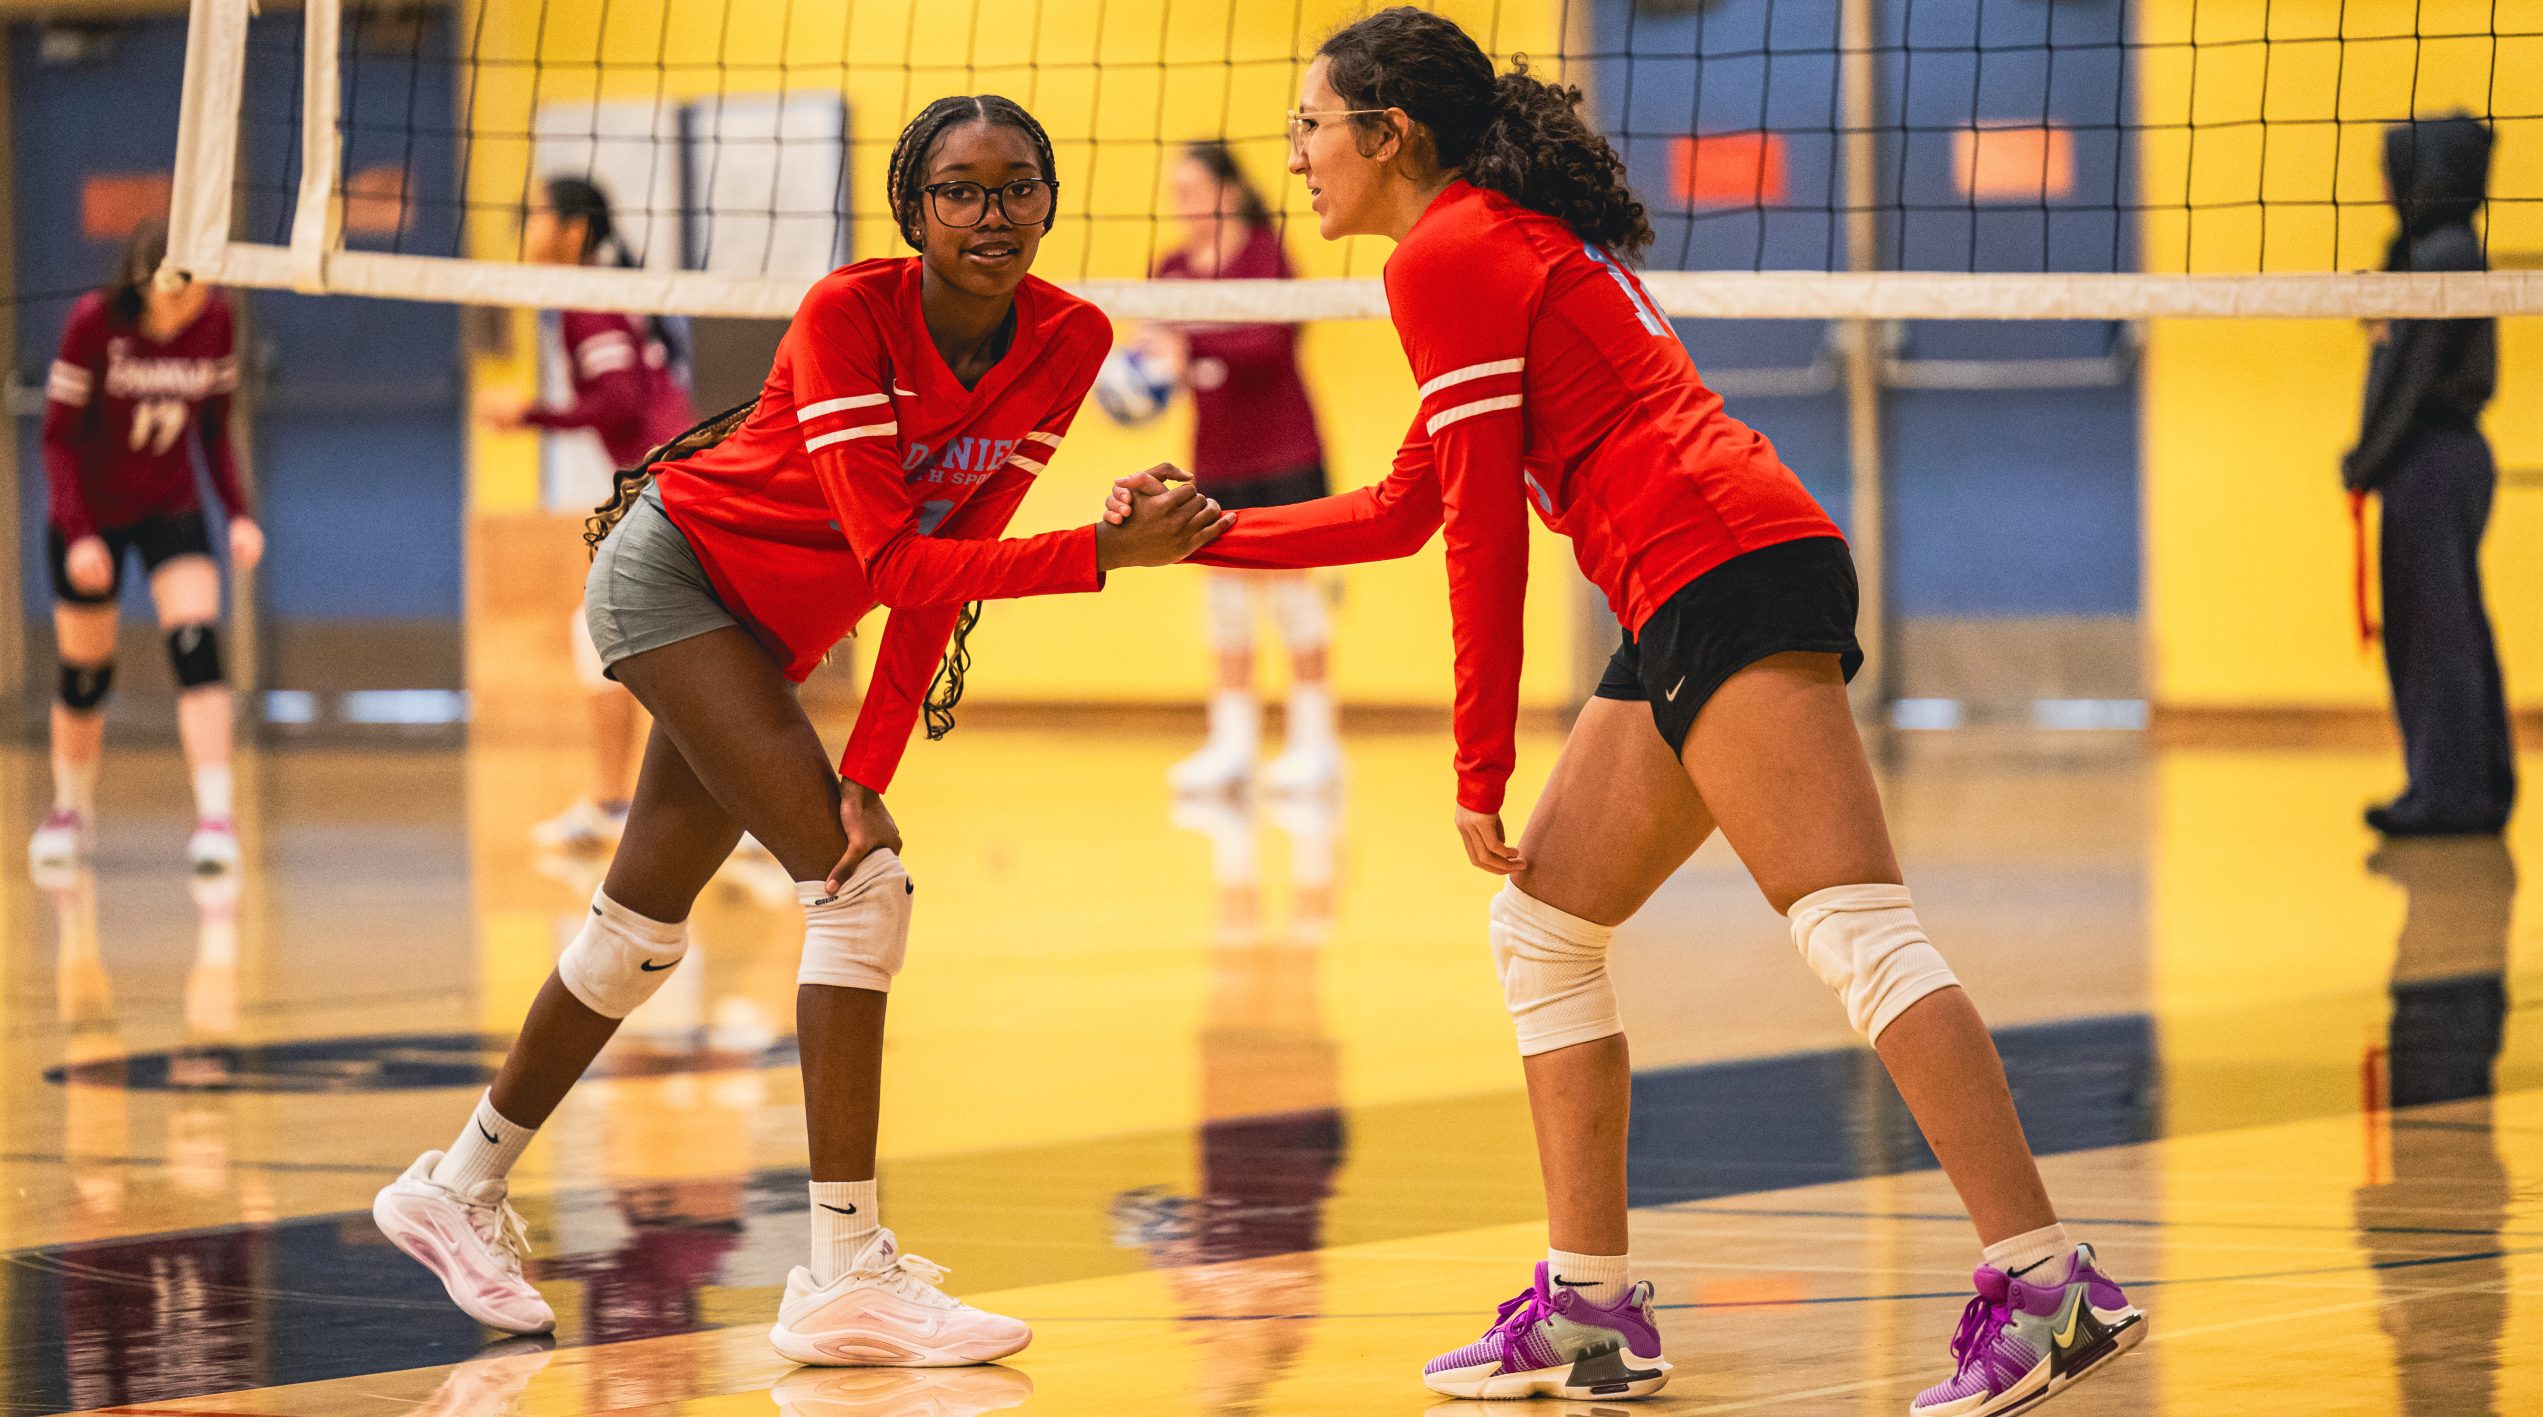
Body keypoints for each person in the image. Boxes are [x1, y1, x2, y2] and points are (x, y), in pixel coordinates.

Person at [1107, 11, 2143, 1411]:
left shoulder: (1451, 252)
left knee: (1853, 930)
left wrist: (1476, 764)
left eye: (1310, 124)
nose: (1295, 153)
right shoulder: (1479, 247)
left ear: (1386, 134)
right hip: (1690, 574)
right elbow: (1411, 506)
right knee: (1545, 933)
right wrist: (1208, 533)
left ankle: (2048, 1284)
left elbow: (1481, 534)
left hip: (1719, 560)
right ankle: (1589, 1312)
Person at [369, 94, 1231, 1364]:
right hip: (676, 580)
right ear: (911, 209)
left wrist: (868, 771)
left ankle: (456, 1184)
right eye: (960, 189)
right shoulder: (847, 313)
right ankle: (841, 1270)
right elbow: (893, 559)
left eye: (1017, 186)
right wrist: (1104, 556)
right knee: (860, 894)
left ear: (1050, 198)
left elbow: (960, 560)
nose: (991, 214)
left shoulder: (1070, 337)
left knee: (636, 935)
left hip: (774, 631)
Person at [31, 219, 264, 875]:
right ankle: (70, 809)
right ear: (147, 282)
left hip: (171, 505)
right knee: (85, 673)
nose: (193, 305)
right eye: (180, 294)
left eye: (201, 290)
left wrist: (239, 514)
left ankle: (216, 818)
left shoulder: (217, 318)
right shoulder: (93, 322)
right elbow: (56, 438)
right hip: (93, 514)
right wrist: (78, 534)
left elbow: (215, 427)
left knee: (197, 650)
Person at [479, 176, 700, 851]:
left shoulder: (589, 298)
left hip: (667, 482)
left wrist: (528, 415)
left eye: (537, 213)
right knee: (610, 637)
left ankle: (719, 805)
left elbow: (621, 402)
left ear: (574, 231)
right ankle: (615, 800)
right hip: (661, 480)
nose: (528, 226)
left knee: (630, 639)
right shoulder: (595, 292)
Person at [1151, 143, 1341, 795]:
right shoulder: (1170, 269)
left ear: (1228, 192)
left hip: (1285, 453)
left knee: (1293, 601)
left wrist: (1188, 342)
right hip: (1216, 462)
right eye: (1172, 191)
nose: (1179, 203)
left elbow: (1266, 342)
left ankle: (1316, 746)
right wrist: (1144, 371)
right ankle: (1232, 747)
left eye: (1190, 189)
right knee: (1226, 606)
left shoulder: (1263, 253)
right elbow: (1161, 356)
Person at [2345, 114, 2510, 838]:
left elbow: (2407, 382)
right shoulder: (2433, 251)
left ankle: (2447, 797)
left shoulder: (2443, 257)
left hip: (2431, 462)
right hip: (2442, 461)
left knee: (2434, 633)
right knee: (2453, 627)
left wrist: (2363, 462)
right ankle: (2469, 785)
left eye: (2392, 165)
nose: (2381, 181)